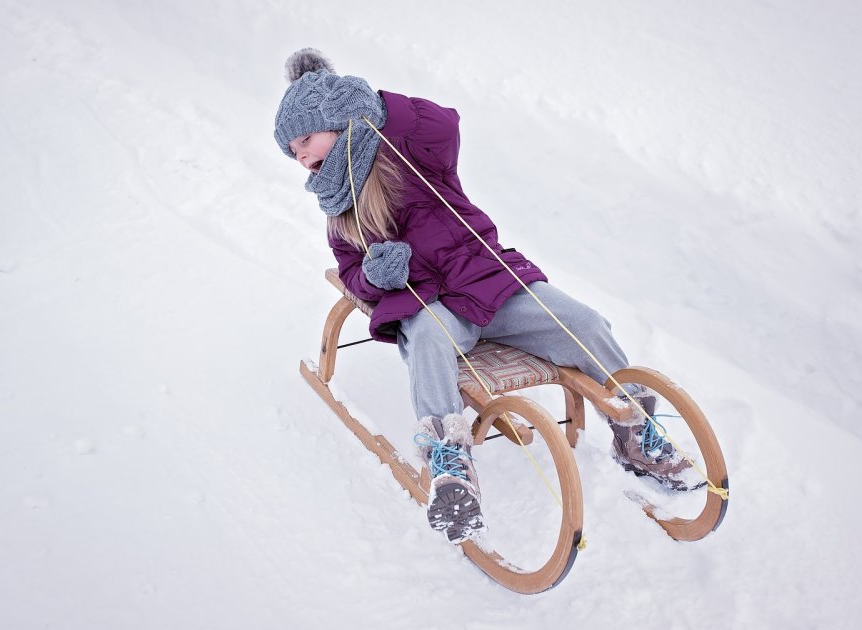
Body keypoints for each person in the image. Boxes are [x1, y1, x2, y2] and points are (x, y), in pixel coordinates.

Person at [273, 48, 702, 543]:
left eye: (306, 139)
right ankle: (449, 463)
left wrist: (373, 106)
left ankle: (633, 427)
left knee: (583, 322)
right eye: (293, 152)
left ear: (339, 119)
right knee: (429, 340)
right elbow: (352, 273)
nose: (302, 156)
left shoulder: (411, 150)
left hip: (486, 278)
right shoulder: (338, 206)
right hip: (429, 302)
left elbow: (444, 124)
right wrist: (374, 277)